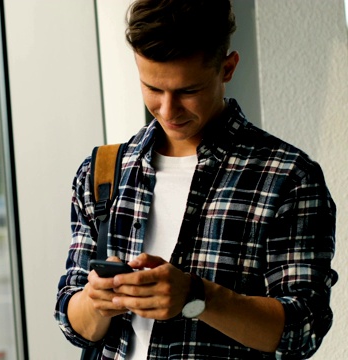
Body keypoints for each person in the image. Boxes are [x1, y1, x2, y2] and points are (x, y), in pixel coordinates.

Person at [54, 0, 337, 359]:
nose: (168, 110)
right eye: (153, 88)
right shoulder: (102, 172)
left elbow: (303, 331)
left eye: (188, 91)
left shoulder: (288, 178)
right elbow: (72, 322)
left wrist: (196, 296)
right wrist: (96, 302)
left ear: (227, 68)